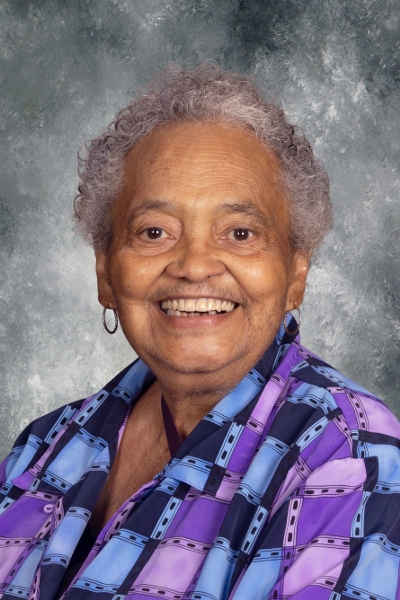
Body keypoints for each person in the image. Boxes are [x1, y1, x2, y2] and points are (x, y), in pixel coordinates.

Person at [0, 64, 399, 600]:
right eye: (154, 231)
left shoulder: (347, 457)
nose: (193, 265)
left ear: (296, 272)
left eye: (240, 233)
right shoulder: (43, 446)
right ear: (105, 273)